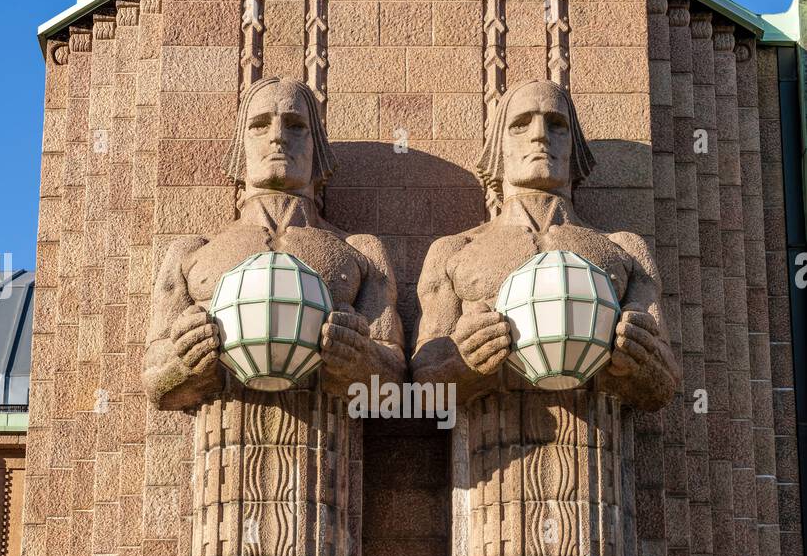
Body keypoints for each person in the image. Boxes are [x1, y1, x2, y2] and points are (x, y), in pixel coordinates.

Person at [411, 78, 680, 411]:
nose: (540, 135)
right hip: (486, 450)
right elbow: (421, 386)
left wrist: (638, 360)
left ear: (573, 147)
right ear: (500, 147)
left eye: (557, 125)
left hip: (600, 448)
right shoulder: (454, 250)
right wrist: (464, 362)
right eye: (521, 125)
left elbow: (665, 383)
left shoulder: (624, 249)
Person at [144, 76, 405, 410]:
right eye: (259, 125)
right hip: (216, 443)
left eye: (296, 126)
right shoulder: (192, 252)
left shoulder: (360, 252)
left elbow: (393, 381)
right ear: (241, 144)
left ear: (317, 146)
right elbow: (154, 380)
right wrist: (185, 363)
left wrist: (360, 359)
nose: (278, 137)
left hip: (329, 443)